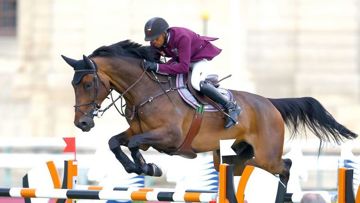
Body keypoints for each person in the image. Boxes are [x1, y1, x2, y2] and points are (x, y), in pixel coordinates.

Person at [142, 17, 241, 128]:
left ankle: (231, 106)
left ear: (164, 33)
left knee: (196, 83)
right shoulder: (157, 42)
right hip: (181, 60)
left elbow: (183, 67)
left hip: (198, 60)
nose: (154, 42)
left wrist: (157, 67)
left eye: (156, 39)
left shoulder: (182, 37)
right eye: (151, 40)